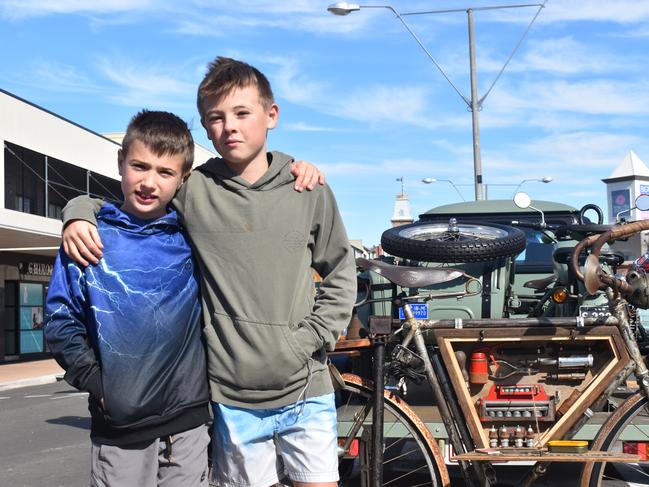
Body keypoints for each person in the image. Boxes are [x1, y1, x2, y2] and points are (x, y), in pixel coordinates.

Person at [61, 57, 357, 487]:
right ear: (204, 127)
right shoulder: (193, 189)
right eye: (216, 118)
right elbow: (136, 196)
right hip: (231, 395)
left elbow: (340, 270)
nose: (230, 127)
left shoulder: (307, 188)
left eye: (242, 113)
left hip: (304, 384)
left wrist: (309, 339)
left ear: (271, 115)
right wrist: (77, 213)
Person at [44, 110, 211, 487]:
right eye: (139, 166)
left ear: (183, 178)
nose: (149, 182)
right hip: (121, 426)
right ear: (121, 162)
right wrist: (100, 386)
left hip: (188, 424)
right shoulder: (88, 237)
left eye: (165, 172)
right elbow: (60, 320)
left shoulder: (193, 236)